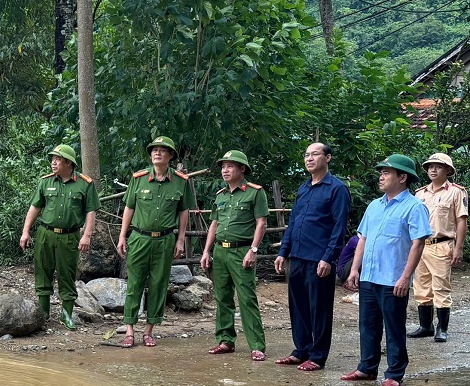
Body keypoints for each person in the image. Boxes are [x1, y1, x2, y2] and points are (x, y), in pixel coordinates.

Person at [342, 154, 431, 386]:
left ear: (403, 178)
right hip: (369, 276)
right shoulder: (374, 205)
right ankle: (367, 368)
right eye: (381, 172)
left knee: (394, 327)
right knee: (367, 325)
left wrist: (405, 277)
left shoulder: (414, 207)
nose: (381, 177)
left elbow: (418, 243)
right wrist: (354, 270)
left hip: (393, 279)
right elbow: (363, 239)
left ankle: (394, 373)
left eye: (387, 173)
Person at [273, 142, 350, 371]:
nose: (309, 159)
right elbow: (293, 222)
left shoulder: (337, 189)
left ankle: (317, 356)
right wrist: (282, 252)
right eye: (306, 155)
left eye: (315, 154)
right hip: (297, 256)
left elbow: (339, 227)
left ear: (327, 158)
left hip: (319, 259)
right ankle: (301, 350)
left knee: (320, 308)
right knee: (298, 306)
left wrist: (329, 258)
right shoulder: (304, 188)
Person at [116, 135, 195, 348]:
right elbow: (129, 208)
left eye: (162, 150)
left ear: (170, 156)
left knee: (159, 284)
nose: (157, 153)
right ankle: (130, 329)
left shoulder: (180, 181)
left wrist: (180, 240)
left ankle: (149, 330)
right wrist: (123, 236)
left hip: (165, 240)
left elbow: (183, 211)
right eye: (154, 150)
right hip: (140, 238)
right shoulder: (139, 178)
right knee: (135, 284)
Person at [19, 144, 100, 330]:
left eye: (58, 159)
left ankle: (66, 315)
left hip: (69, 236)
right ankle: (44, 313)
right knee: (43, 271)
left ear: (69, 163)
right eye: (52, 159)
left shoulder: (84, 184)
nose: (53, 162)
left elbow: (90, 212)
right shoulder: (46, 182)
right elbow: (35, 208)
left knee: (67, 275)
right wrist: (25, 231)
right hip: (45, 234)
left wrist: (86, 235)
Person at [200, 150, 269, 361]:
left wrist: (253, 250)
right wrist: (206, 251)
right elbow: (214, 224)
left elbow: (261, 223)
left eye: (230, 166)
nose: (225, 170)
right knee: (222, 297)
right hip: (220, 251)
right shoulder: (220, 195)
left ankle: (257, 345)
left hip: (242, 251)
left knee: (247, 298)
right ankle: (225, 340)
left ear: (242, 169)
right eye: (223, 166)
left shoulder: (255, 193)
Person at [408, 152, 467, 343]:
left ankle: (442, 328)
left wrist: (458, 248)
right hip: (420, 246)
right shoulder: (419, 194)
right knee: (421, 286)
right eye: (430, 166)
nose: (433, 170)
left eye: (438, 166)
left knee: (441, 286)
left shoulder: (456, 192)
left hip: (442, 244)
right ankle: (426, 326)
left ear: (448, 170)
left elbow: (461, 220)